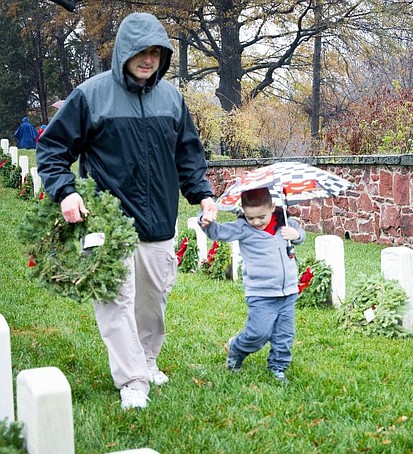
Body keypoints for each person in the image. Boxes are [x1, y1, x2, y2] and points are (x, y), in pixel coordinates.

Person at [36, 12, 218, 410]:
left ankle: (147, 361)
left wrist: (202, 194)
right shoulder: (91, 95)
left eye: (156, 52)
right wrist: (65, 192)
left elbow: (188, 153)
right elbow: (51, 151)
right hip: (107, 226)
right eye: (141, 51)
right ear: (124, 52)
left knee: (152, 302)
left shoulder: (171, 98)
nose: (148, 59)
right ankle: (133, 380)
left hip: (157, 225)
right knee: (116, 302)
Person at [199, 187, 305, 385]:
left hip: (288, 291)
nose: (256, 222)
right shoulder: (243, 228)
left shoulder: (286, 222)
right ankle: (237, 348)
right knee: (259, 333)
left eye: (261, 217)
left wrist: (296, 235)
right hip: (261, 293)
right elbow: (218, 233)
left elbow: (300, 235)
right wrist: (206, 221)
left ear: (273, 207)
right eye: (251, 217)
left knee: (285, 335)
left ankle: (278, 367)